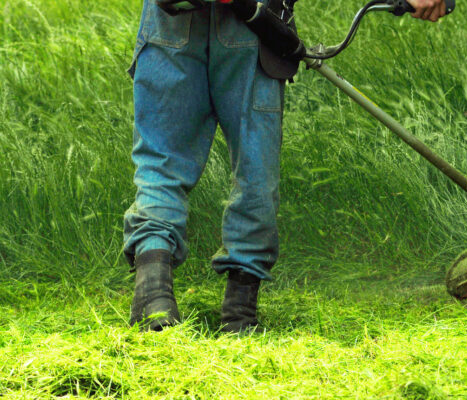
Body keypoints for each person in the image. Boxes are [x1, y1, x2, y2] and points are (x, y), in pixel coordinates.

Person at [124, 0, 448, 333]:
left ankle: (154, 300)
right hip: (247, 25)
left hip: (178, 19)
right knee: (255, 169)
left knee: (162, 164)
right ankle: (238, 317)